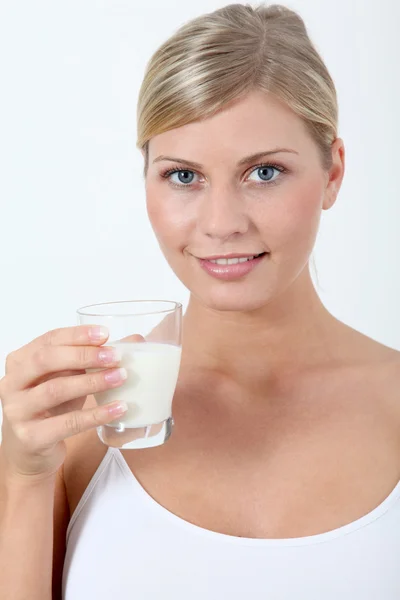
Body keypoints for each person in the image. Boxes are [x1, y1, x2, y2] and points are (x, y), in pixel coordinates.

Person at [1, 3, 400, 599]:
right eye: (183, 176)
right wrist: (25, 475)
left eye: (263, 172)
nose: (220, 224)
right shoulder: (82, 421)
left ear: (334, 173)